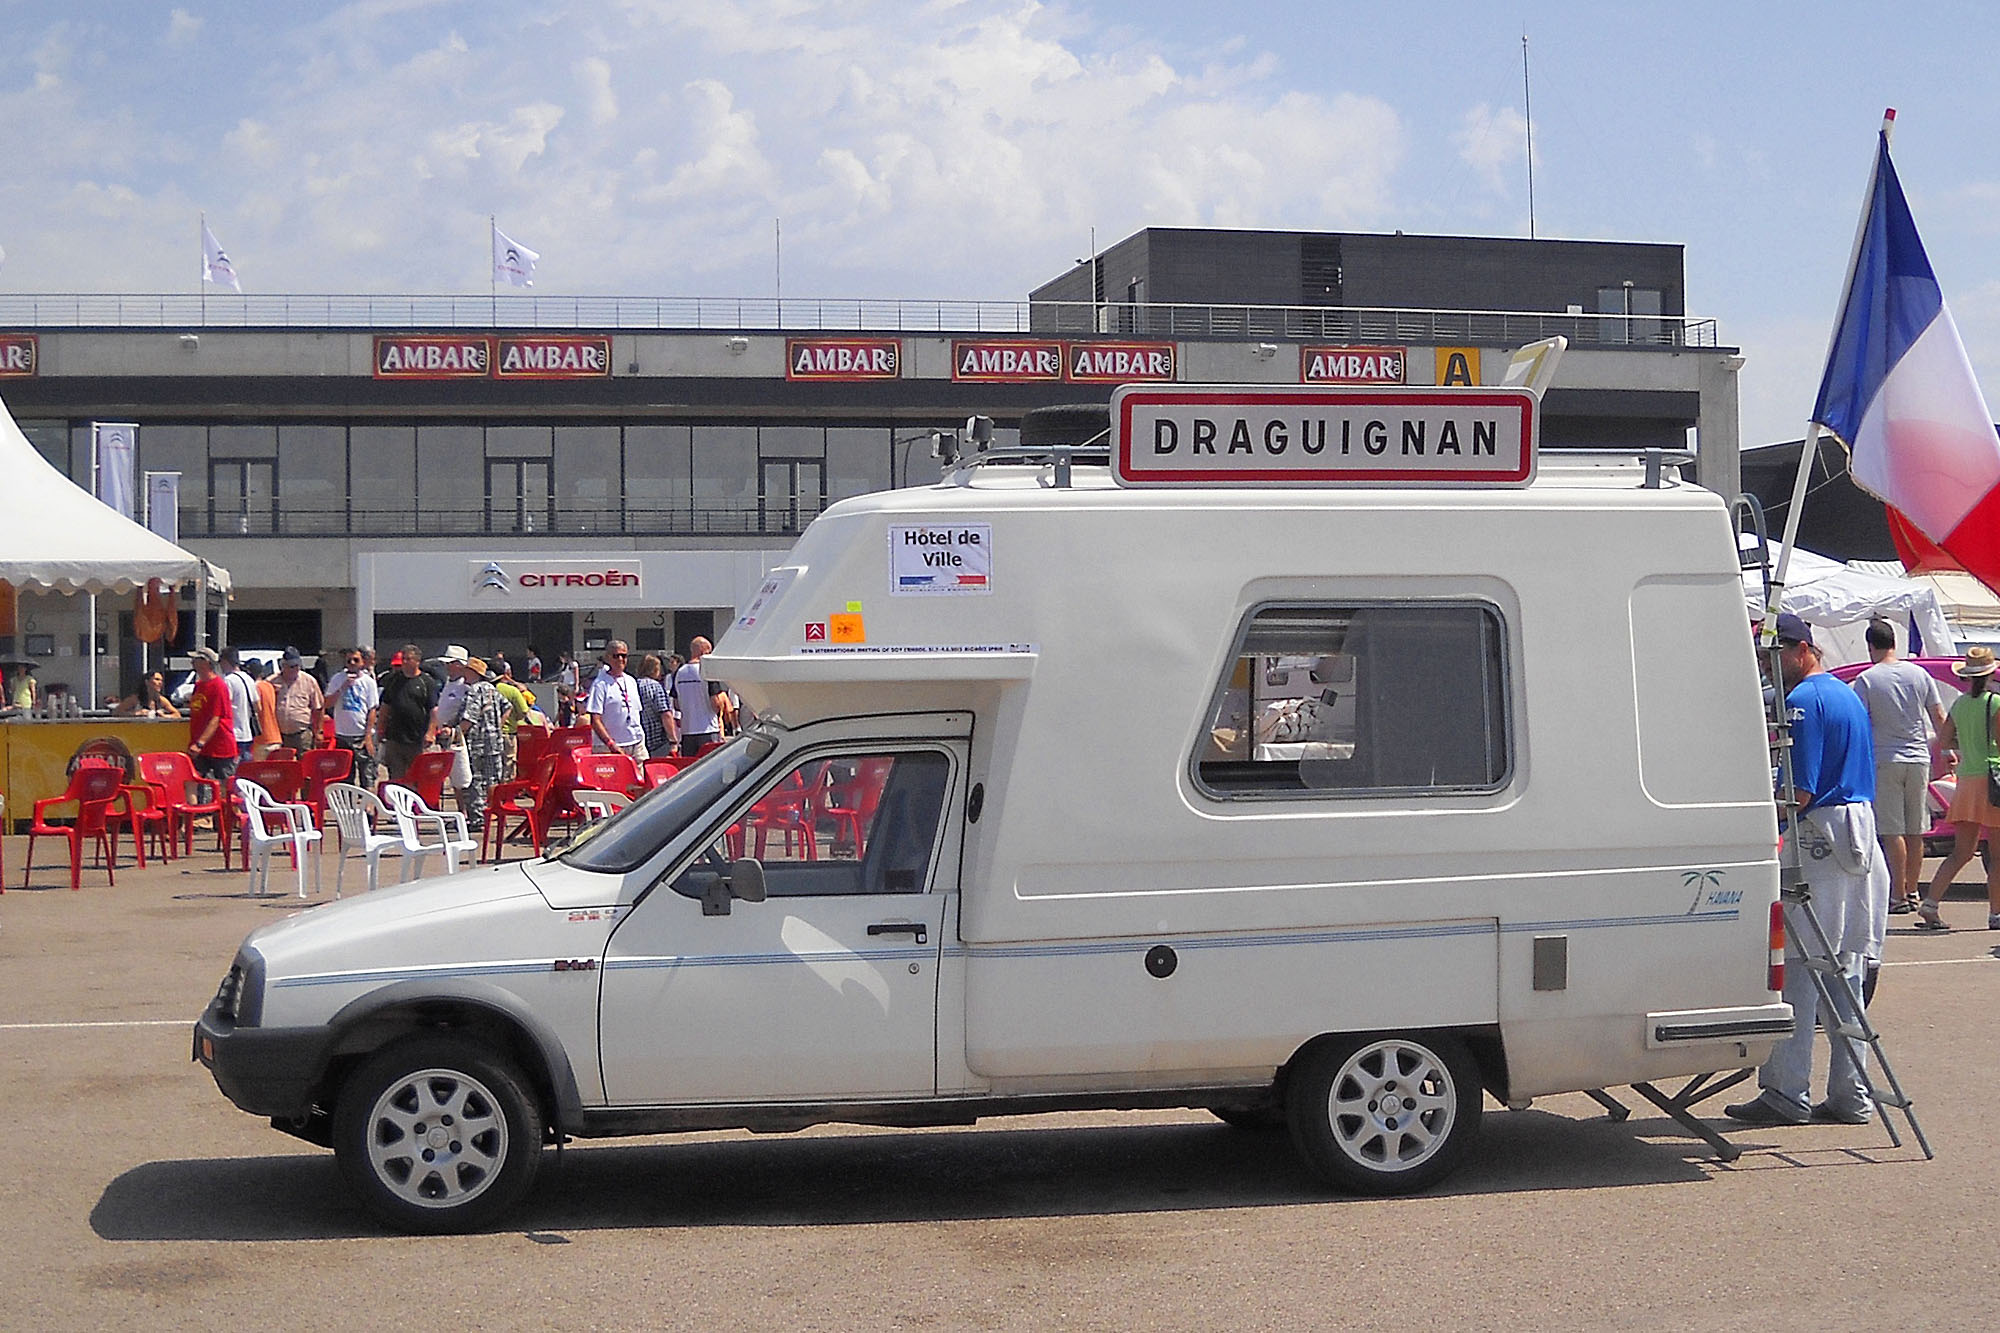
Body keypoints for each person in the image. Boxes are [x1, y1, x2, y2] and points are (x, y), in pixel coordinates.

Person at [1726, 614, 1887, 1127]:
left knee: (1798, 970)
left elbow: (1798, 791)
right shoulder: (1845, 695)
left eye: (1773, 657)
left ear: (1800, 650)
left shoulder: (1802, 703)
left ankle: (1786, 1092)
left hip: (1819, 839)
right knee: (1848, 971)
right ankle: (1851, 1094)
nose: (1768, 668)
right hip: (1859, 838)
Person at [1849, 619, 1947, 914]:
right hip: (1918, 758)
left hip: (1885, 759)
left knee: (1892, 831)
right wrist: (1949, 749)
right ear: (1894, 642)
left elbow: (1859, 723)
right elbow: (1938, 715)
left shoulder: (1867, 679)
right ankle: (1914, 890)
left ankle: (1898, 894)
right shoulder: (1919, 674)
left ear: (1871, 646)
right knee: (1916, 829)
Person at [1915, 646, 2000, 932]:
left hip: (1966, 781)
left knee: (1962, 852)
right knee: (1997, 855)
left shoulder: (1960, 705)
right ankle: (1996, 914)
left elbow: (1945, 738)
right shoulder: (1995, 703)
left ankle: (1931, 903)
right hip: (1991, 782)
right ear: (1989, 674)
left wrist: (1964, 748)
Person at [452, 656, 506, 828]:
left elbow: (469, 719)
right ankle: (495, 813)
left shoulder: (474, 691)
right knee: (493, 780)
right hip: (495, 742)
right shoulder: (493, 689)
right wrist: (497, 725)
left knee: (474, 779)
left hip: (477, 743)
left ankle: (477, 818)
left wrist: (455, 733)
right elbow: (508, 706)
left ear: (472, 672)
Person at [374, 643, 438, 783]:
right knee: (396, 777)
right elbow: (385, 706)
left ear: (417, 661)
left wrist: (430, 732)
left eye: (408, 659)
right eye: (403, 659)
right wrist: (380, 729)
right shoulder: (393, 680)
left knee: (416, 776)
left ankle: (414, 803)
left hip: (417, 739)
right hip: (394, 738)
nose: (404, 662)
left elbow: (433, 711)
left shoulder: (426, 682)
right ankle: (397, 803)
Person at [325, 647, 380, 790]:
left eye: (356, 660)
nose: (352, 663)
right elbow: (327, 703)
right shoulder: (337, 679)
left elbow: (372, 709)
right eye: (349, 660)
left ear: (362, 662)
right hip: (342, 735)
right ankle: (348, 807)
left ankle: (368, 808)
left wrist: (368, 736)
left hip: (361, 735)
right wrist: (341, 688)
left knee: (367, 776)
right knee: (345, 777)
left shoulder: (368, 682)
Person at [185, 647, 239, 786]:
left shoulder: (218, 685)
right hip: (201, 748)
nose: (192, 662)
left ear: (206, 663)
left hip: (219, 747)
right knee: (192, 780)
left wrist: (199, 743)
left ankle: (233, 808)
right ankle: (195, 807)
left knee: (227, 786)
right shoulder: (199, 685)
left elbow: (216, 718)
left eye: (196, 659)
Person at [583, 640, 647, 759]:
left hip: (636, 743)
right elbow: (595, 720)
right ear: (608, 658)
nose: (620, 659)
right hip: (609, 747)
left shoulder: (631, 681)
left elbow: (637, 713)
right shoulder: (600, 684)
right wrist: (610, 744)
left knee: (641, 776)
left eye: (624, 656)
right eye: (616, 656)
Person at [673, 636, 735, 756]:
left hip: (687, 731)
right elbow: (715, 703)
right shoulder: (707, 672)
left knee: (690, 767)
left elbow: (676, 704)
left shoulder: (679, 673)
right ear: (703, 652)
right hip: (708, 729)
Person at [272, 647, 325, 754]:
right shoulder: (272, 681)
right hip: (279, 735)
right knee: (284, 766)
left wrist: (319, 731)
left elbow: (319, 707)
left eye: (297, 665)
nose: (295, 669)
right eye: (292, 666)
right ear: (283, 666)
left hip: (302, 734)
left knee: (305, 764)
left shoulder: (309, 681)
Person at [492, 659, 533, 780]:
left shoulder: (484, 688)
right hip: (508, 733)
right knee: (508, 766)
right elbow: (524, 711)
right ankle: (505, 794)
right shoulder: (512, 691)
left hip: (487, 734)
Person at [633, 653, 678, 758]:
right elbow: (665, 714)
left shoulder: (633, 684)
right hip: (658, 741)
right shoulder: (655, 686)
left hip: (639, 739)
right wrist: (673, 740)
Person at [218, 648, 258, 761]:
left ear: (225, 661)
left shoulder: (228, 680)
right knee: (246, 772)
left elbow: (224, 707)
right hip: (248, 733)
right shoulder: (249, 679)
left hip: (234, 734)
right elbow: (257, 705)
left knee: (232, 772)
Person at [248, 660, 284, 759]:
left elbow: (256, 709)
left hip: (261, 740)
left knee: (259, 772)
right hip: (275, 737)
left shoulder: (254, 688)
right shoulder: (269, 686)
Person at [115, 670, 180, 718]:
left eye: (161, 680)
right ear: (147, 682)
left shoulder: (161, 700)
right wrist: (137, 713)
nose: (160, 683)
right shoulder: (135, 699)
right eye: (157, 679)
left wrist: (164, 716)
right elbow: (117, 712)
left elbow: (177, 715)